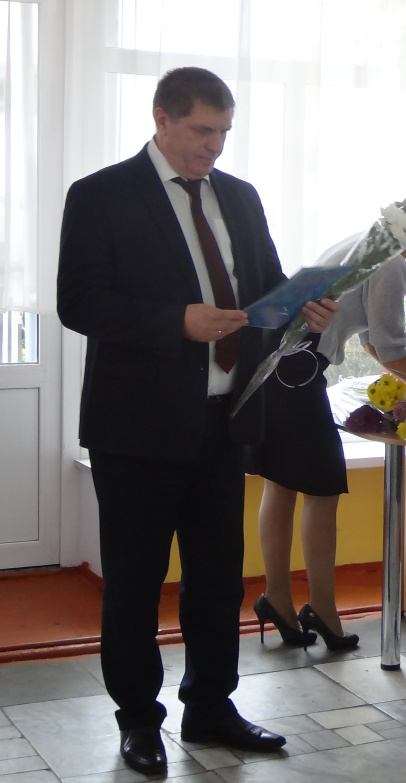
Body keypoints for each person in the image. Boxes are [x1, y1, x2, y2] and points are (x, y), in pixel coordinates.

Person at [56, 67, 338, 775]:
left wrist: (303, 311)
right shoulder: (100, 195)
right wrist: (174, 322)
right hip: (135, 429)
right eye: (201, 131)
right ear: (161, 118)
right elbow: (78, 302)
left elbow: (265, 292)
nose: (214, 146)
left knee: (217, 579)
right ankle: (138, 720)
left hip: (226, 420)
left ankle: (211, 706)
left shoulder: (239, 197)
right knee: (135, 583)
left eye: (224, 133)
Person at [251, 188, 406, 650]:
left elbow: (371, 342)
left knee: (280, 483)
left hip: (276, 363)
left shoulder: (366, 241)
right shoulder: (392, 261)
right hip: (300, 367)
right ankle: (322, 609)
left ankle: (277, 599)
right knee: (323, 489)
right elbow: (392, 351)